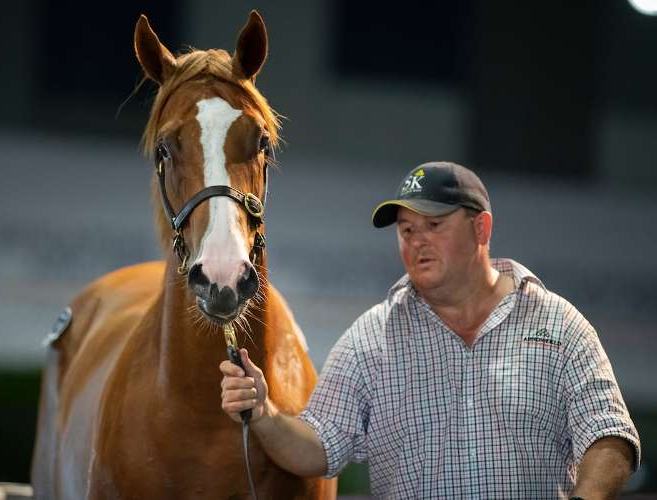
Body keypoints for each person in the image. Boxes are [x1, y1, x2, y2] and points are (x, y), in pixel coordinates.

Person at [219, 161, 640, 499]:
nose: (417, 241)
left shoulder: (558, 324)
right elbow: (317, 447)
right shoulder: (371, 338)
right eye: (406, 230)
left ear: (481, 229)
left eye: (434, 226)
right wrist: (263, 412)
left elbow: (610, 435)